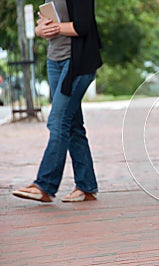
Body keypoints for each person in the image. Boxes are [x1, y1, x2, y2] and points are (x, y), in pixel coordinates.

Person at [12, 0, 102, 202]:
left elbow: (82, 26)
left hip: (76, 63)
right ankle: (86, 187)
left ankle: (44, 185)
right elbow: (44, 25)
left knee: (58, 121)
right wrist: (40, 30)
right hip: (55, 62)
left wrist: (57, 27)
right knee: (73, 126)